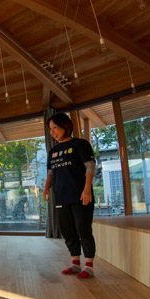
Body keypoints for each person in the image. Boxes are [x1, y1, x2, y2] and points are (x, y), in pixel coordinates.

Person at [43, 112, 97, 279]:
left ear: (65, 126)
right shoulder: (53, 152)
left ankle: (88, 267)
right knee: (68, 231)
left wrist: (87, 189)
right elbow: (51, 174)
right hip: (61, 197)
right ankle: (75, 263)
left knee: (83, 229)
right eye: (50, 129)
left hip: (81, 196)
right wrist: (46, 189)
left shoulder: (80, 144)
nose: (52, 132)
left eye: (55, 128)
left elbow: (90, 167)